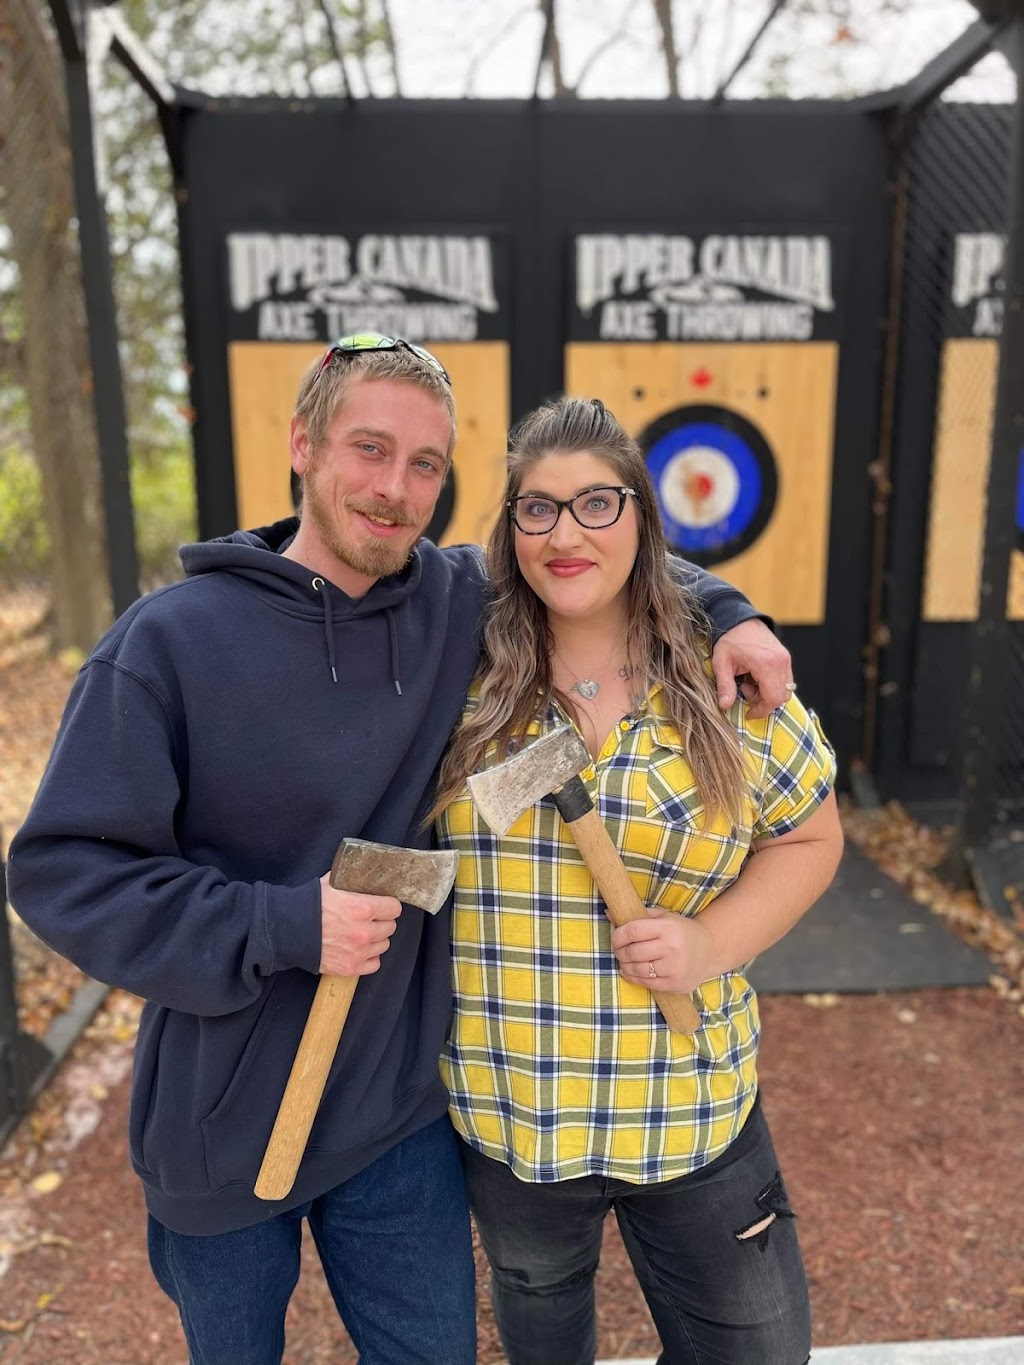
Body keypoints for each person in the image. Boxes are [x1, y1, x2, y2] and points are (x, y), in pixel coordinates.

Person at [8, 336, 794, 1365]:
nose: (395, 488)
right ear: (301, 444)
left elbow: (591, 550)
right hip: (222, 1116)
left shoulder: (454, 604)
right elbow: (66, 871)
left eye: (426, 464)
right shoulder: (167, 644)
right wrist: (280, 923)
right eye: (370, 449)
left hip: (396, 1119)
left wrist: (728, 609)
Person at [432, 395, 844, 1365]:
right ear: (509, 528)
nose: (565, 532)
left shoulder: (726, 683)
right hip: (514, 1115)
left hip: (690, 1108)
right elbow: (421, 855)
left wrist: (708, 945)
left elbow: (807, 839)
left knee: (757, 1352)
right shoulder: (459, 685)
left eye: (597, 505)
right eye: (537, 508)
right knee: (543, 1337)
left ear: (643, 521)